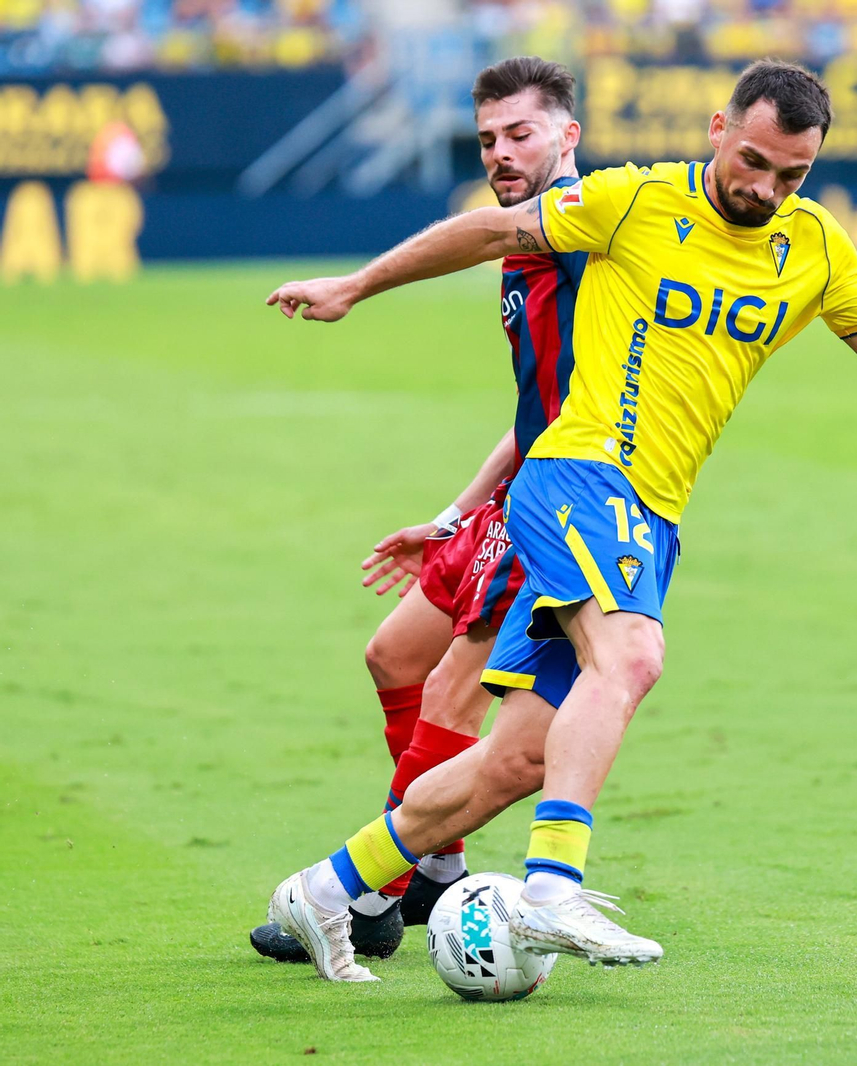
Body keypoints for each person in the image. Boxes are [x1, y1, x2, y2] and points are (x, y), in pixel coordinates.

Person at [263, 58, 857, 983]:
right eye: (755, 161)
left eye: (791, 174)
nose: (766, 188)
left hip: (654, 514)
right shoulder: (634, 200)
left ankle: (327, 891)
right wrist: (355, 285)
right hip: (579, 475)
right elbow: (492, 230)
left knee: (521, 757)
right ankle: (550, 887)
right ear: (717, 129)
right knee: (635, 657)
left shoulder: (813, 245)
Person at [249, 56, 589, 965]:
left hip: (569, 509)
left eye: (521, 133)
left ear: (569, 136)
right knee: (394, 655)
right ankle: (438, 867)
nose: (501, 152)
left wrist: (355, 285)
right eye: (487, 138)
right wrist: (454, 515)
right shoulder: (533, 250)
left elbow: (577, 409)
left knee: (449, 693)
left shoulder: (580, 236)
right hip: (520, 491)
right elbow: (539, 408)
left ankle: (366, 897)